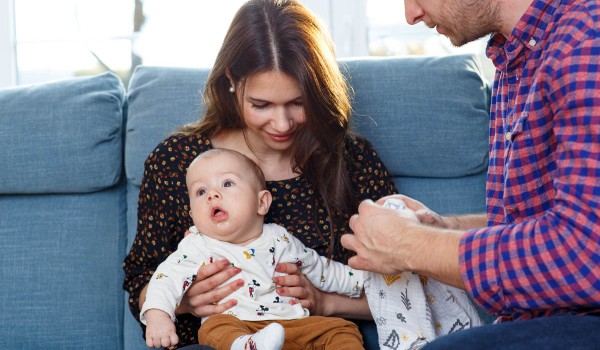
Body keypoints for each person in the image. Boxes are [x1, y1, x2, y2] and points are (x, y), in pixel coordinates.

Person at [122, 0, 398, 348]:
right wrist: (186, 301)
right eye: (262, 105)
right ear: (231, 82)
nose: (282, 124)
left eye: (299, 103)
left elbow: (403, 287)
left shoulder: (352, 160)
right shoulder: (178, 161)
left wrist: (326, 303)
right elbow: (139, 281)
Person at [341, 0, 600, 349]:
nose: (410, 15)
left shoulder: (587, 40)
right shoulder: (516, 59)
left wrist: (409, 245)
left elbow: (585, 253)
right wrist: (443, 229)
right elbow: (540, 224)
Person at [142, 148, 365, 349]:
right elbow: (165, 279)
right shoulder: (197, 245)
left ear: (262, 203)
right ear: (192, 216)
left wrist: (362, 280)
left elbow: (321, 268)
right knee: (212, 330)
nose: (212, 195)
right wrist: (158, 315)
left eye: (227, 183)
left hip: (293, 323)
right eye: (200, 192)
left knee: (342, 329)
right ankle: (247, 346)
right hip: (235, 324)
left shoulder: (280, 238)